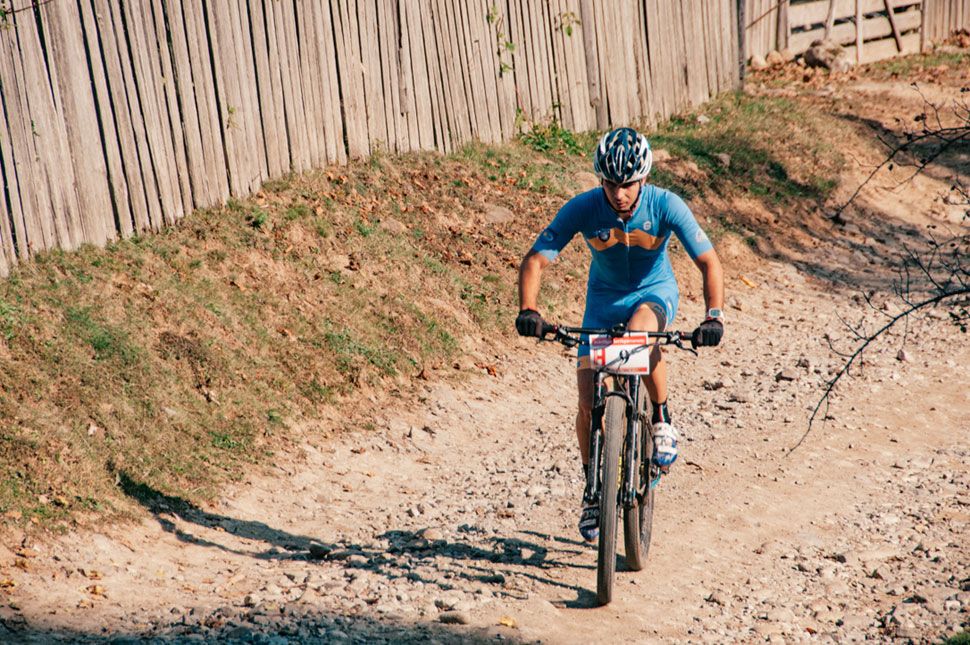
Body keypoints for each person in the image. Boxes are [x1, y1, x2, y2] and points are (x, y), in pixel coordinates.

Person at [515, 127, 725, 542]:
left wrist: (713, 315)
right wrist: (528, 309)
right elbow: (536, 260)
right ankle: (594, 488)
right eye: (610, 183)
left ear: (643, 179)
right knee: (587, 397)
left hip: (653, 294)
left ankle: (662, 416)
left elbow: (709, 262)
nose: (619, 193)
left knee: (640, 332)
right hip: (603, 301)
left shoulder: (666, 204)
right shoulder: (585, 207)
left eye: (627, 184)